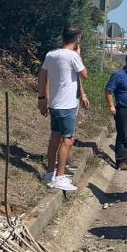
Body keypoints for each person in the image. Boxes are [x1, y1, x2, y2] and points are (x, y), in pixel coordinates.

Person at [38, 26, 89, 192]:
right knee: (68, 140)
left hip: (54, 104)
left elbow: (42, 75)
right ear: (78, 39)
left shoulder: (51, 54)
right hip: (67, 105)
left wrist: (42, 98)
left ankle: (49, 174)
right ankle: (59, 177)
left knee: (54, 138)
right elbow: (84, 74)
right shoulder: (73, 56)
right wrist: (79, 55)